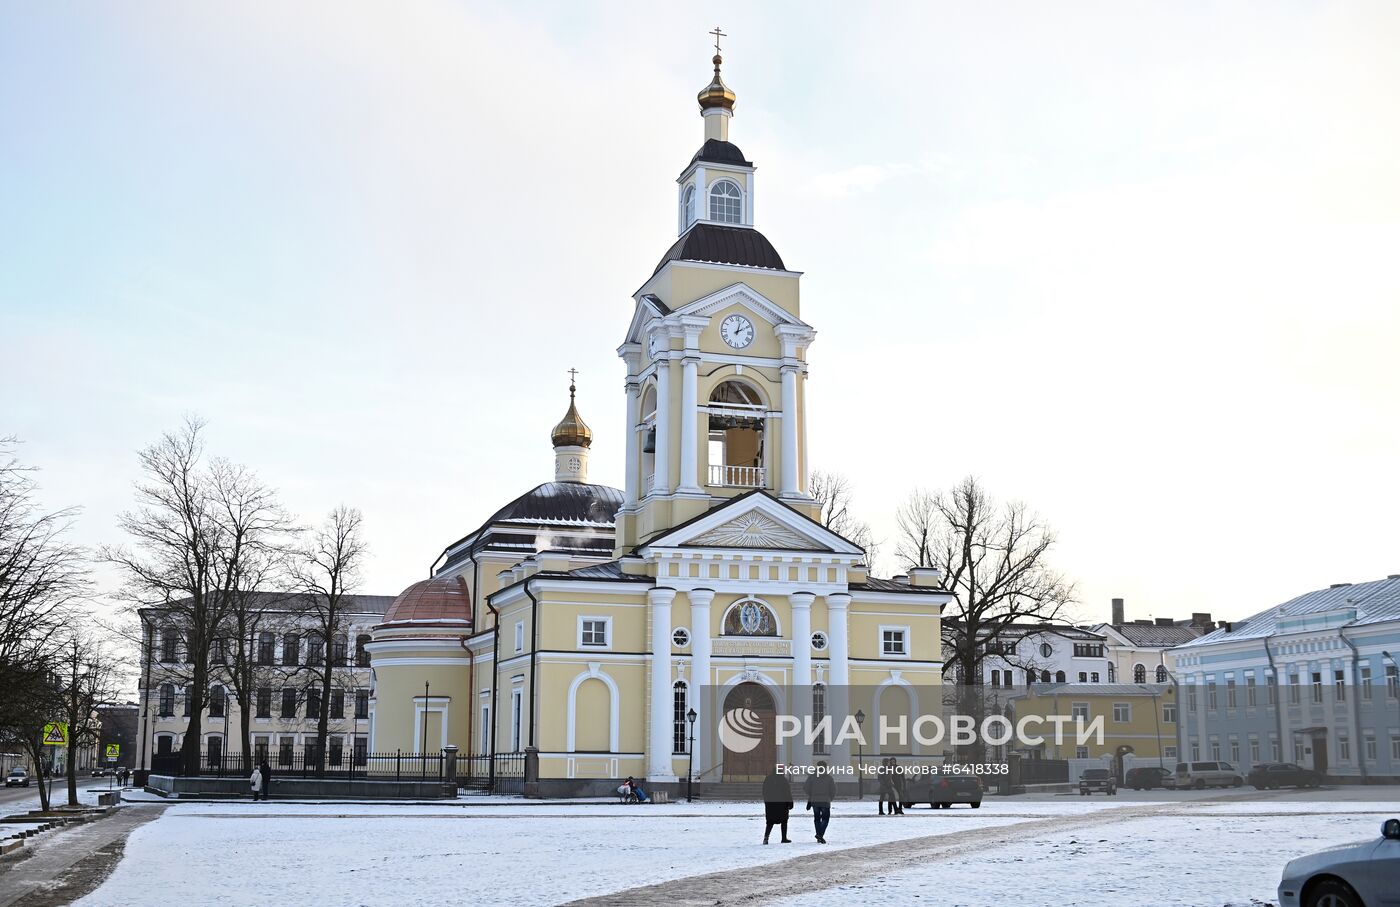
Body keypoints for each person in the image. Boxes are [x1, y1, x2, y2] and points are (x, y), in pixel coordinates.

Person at [804, 761, 836, 844]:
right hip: (825, 801)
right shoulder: (829, 777)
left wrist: (812, 794)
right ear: (825, 767)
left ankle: (819, 835)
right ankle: (820, 835)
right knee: (825, 819)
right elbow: (833, 790)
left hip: (815, 800)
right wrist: (830, 798)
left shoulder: (812, 777)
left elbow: (805, 787)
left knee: (817, 819)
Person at [761, 767, 794, 844]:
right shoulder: (783, 780)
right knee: (784, 821)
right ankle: (784, 838)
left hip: (771, 804)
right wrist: (790, 802)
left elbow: (764, 791)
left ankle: (766, 838)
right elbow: (787, 792)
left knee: (769, 822)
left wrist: (766, 801)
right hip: (782, 804)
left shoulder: (768, 779)